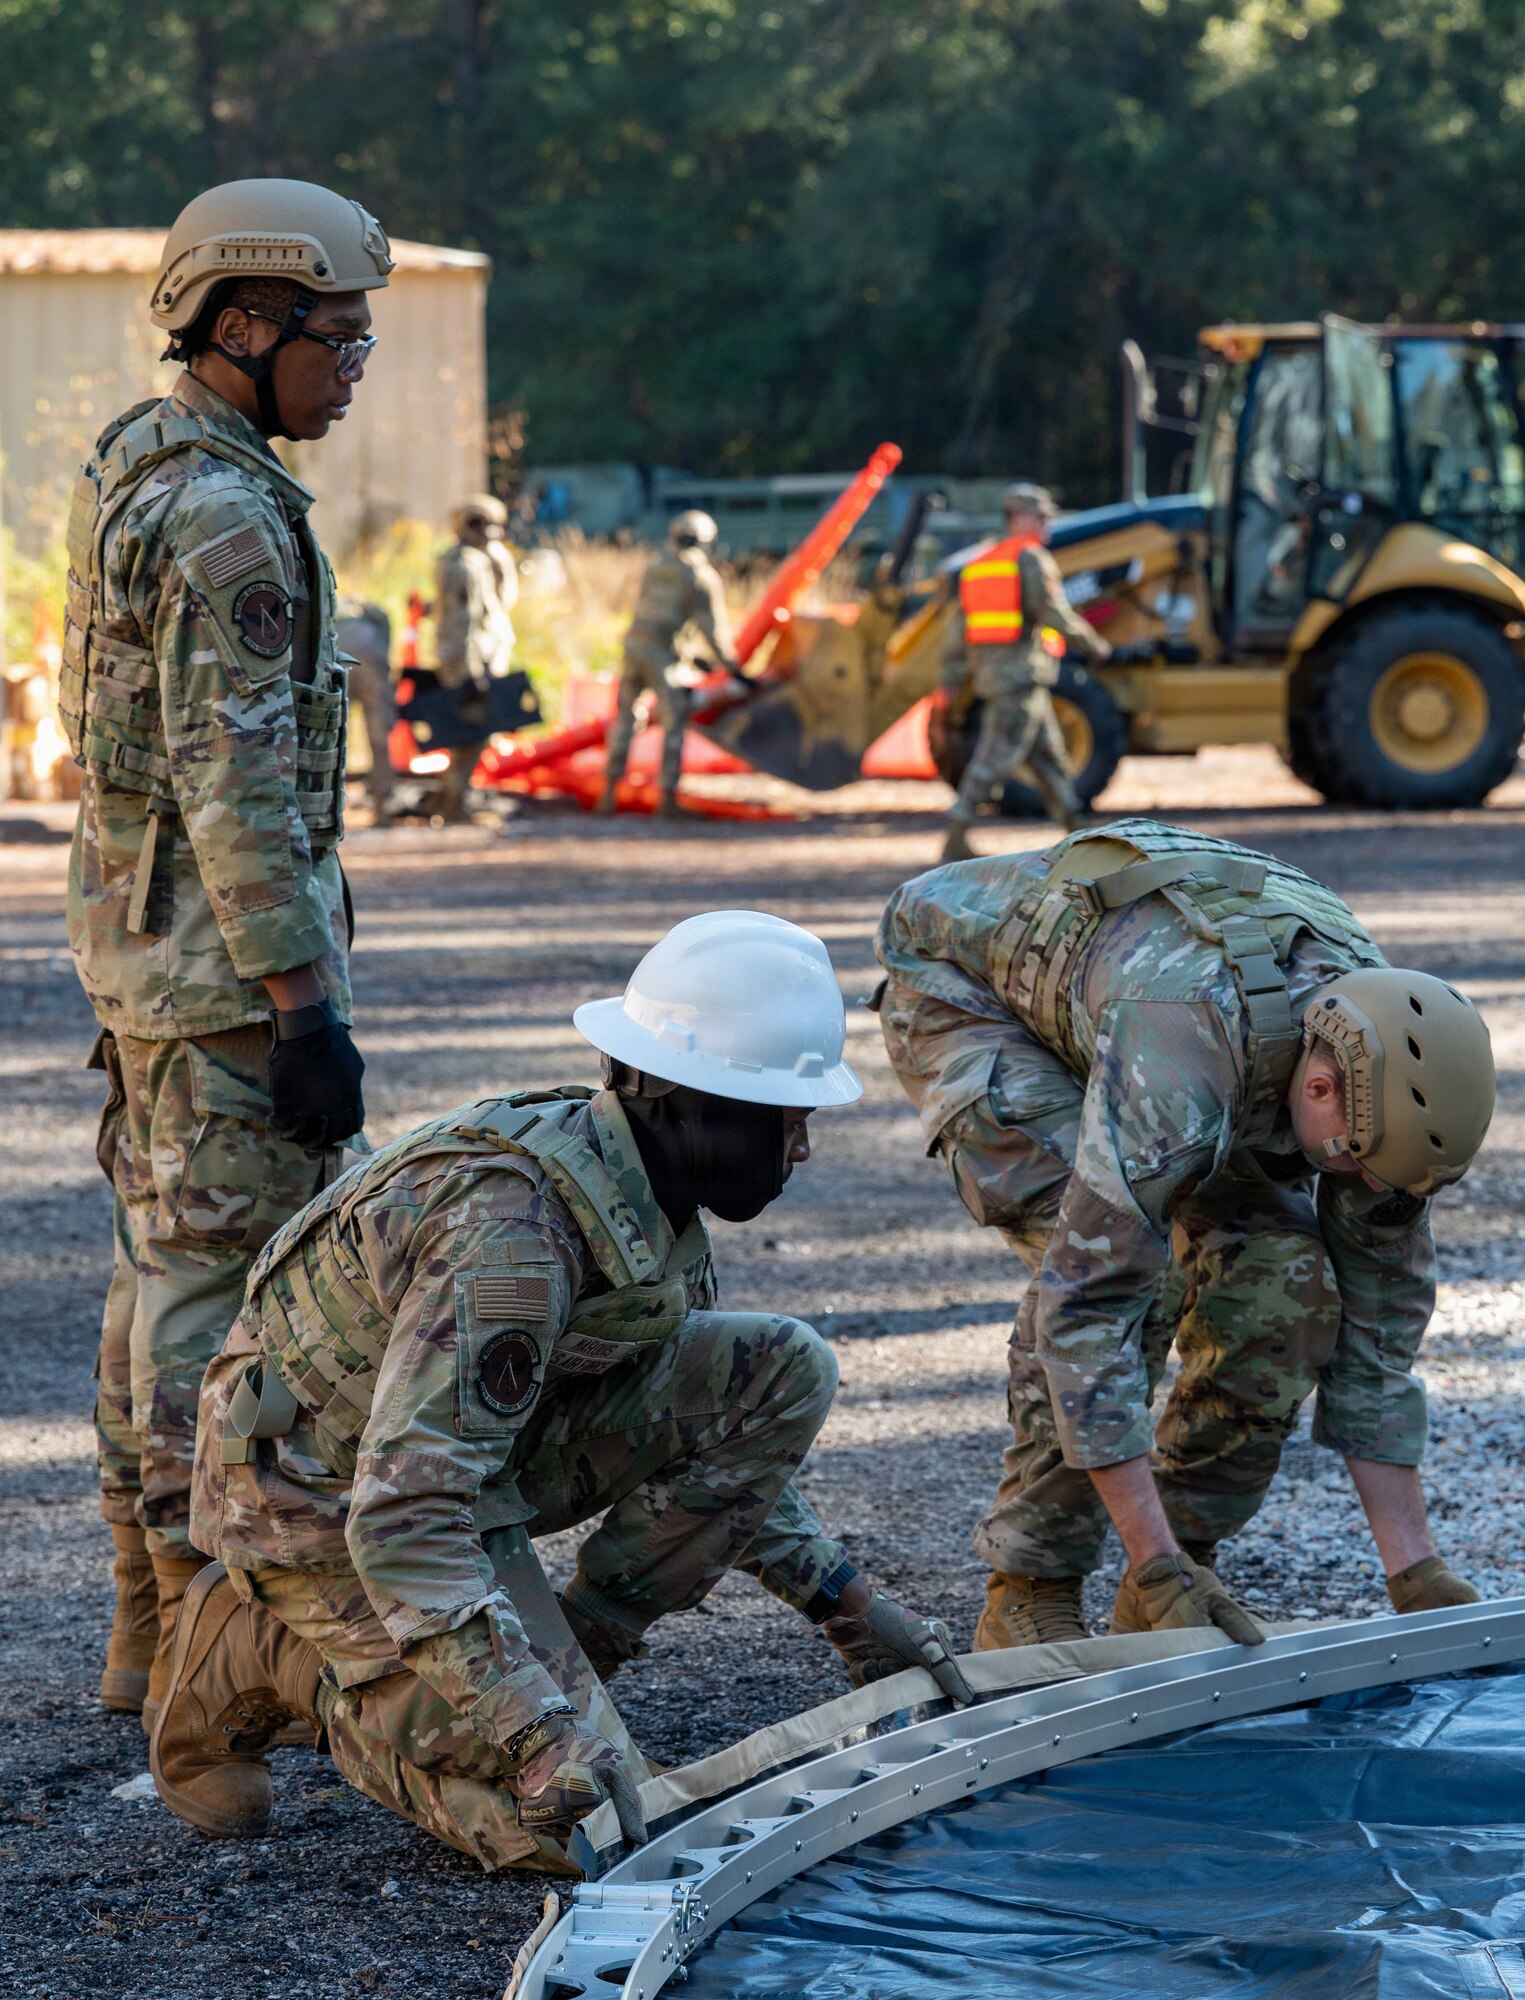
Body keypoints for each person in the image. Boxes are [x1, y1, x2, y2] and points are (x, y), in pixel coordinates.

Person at [151, 912, 971, 1873]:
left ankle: (555, 1665)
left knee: (779, 1369)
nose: (799, 1149)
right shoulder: (513, 1239)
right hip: (317, 1497)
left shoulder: (645, 1195)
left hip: (453, 1464)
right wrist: (536, 1734)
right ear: (682, 1099)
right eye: (780, 1118)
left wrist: (843, 1601)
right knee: (591, 1836)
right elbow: (407, 1514)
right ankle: (262, 1648)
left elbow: (706, 1439)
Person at [873, 820, 1495, 1651]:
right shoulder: (1186, 1054)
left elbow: (1377, 1331)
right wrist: (1151, 1557)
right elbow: (1084, 1310)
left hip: (1163, 1017)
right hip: (972, 996)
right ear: (1315, 1086)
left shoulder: (1380, 1077)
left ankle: (1173, 1578)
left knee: (1286, 1286)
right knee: (1130, 1280)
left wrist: (1414, 1573)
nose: (1361, 1192)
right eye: (1351, 1164)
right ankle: (1030, 1590)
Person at [62, 178, 390, 1730]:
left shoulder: (138, 463)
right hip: (222, 979)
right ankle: (204, 1649)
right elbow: (234, 773)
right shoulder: (223, 511)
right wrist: (302, 1007)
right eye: (336, 334)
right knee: (228, 1311)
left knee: (155, 1283)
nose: (355, 361)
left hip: (148, 958)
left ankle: (145, 1628)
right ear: (241, 326)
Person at [934, 482, 1110, 863]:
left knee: (1049, 758)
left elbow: (956, 633)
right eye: (1040, 516)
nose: (1048, 523)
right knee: (993, 758)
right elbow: (1052, 612)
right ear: (1017, 517)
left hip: (1001, 677)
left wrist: (950, 680)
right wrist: (1095, 645)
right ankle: (956, 834)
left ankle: (1077, 833)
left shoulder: (982, 563)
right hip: (1020, 676)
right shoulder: (1030, 559)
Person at [599, 510, 738, 819]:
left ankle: (608, 793)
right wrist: (733, 667)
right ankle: (667, 800)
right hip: (662, 655)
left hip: (635, 646)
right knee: (674, 723)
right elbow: (712, 628)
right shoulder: (700, 576)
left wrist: (692, 656)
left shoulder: (656, 566)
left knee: (624, 720)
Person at [432, 494, 520, 822]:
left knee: (472, 731)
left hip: (476, 653)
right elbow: (464, 622)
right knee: (472, 731)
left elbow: (503, 600)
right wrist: (472, 671)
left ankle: (453, 797)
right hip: (471, 658)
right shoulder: (464, 566)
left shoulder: (472, 560)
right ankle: (456, 800)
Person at [336, 596, 399, 820]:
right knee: (378, 734)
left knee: (335, 734)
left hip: (337, 653)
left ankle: (332, 806)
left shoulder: (331, 607)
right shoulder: (372, 613)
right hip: (372, 655)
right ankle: (383, 806)